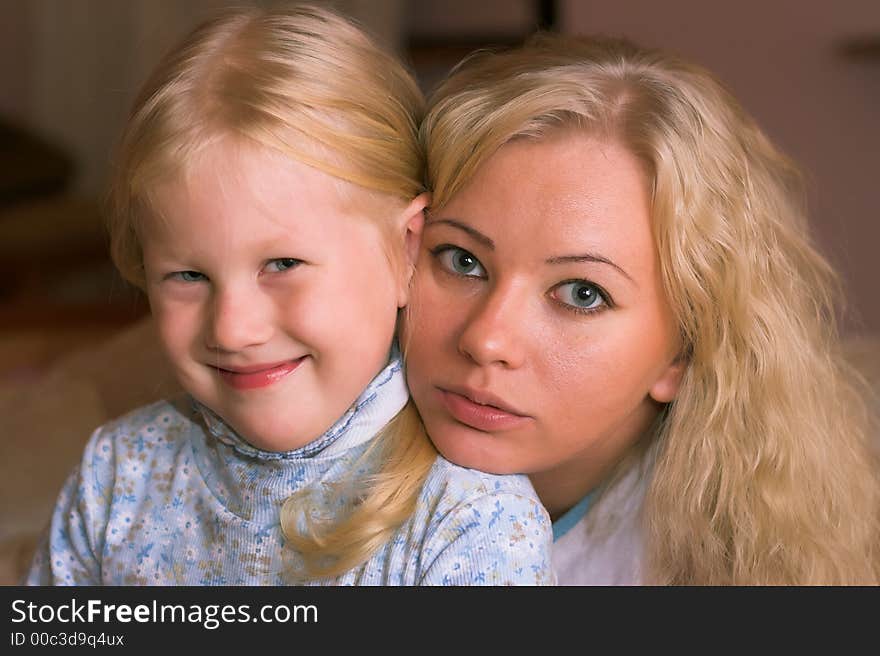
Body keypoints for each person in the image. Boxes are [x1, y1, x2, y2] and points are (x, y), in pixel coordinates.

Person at [25, 5, 553, 586]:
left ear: (406, 249)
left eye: (282, 264)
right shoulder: (117, 474)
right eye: (188, 276)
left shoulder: (473, 522)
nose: (232, 328)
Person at [402, 32, 880, 585]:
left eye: (582, 293)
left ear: (681, 353)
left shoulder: (736, 560)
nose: (487, 339)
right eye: (461, 261)